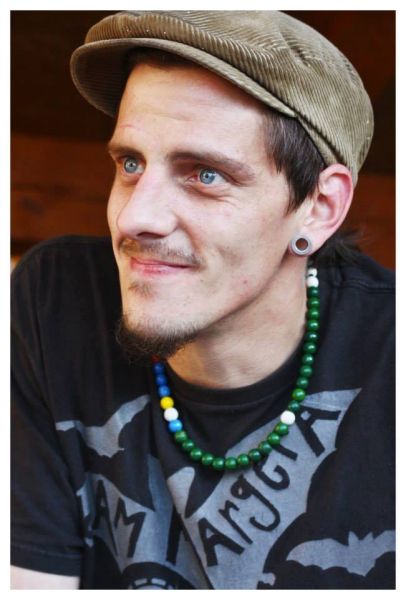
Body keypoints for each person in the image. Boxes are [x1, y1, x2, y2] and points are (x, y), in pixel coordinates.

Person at [11, 10, 395, 590]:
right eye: (130, 163)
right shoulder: (56, 301)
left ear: (319, 209)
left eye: (205, 175)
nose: (134, 217)